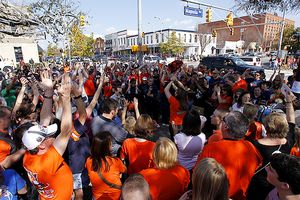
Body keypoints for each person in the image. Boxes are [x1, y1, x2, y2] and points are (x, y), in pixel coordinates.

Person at [22, 71, 74, 200]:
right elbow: (66, 130)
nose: (52, 137)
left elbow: (43, 121)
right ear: (41, 146)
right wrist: (66, 98)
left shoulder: (29, 156)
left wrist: (49, 92)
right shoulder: (48, 161)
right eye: (48, 136)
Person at [196, 111, 262, 200]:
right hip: (240, 196)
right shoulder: (251, 147)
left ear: (226, 126)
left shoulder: (211, 148)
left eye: (223, 120)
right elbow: (258, 165)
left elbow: (198, 173)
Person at [247, 92, 296, 200]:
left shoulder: (254, 144)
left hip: (257, 185)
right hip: (278, 185)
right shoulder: (288, 141)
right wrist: (288, 102)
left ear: (266, 127)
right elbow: (291, 119)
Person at [85, 131, 126, 200]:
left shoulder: (89, 161)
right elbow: (125, 170)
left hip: (97, 196)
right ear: (107, 147)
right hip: (115, 195)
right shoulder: (115, 161)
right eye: (111, 143)